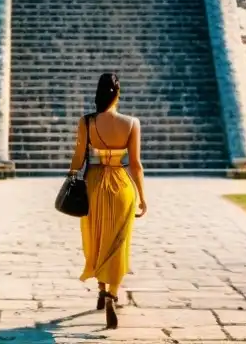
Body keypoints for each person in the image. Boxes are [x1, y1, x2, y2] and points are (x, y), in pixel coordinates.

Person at [67, 72, 147, 330]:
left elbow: (78, 159)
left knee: (97, 237)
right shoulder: (132, 123)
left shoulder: (86, 122)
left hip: (93, 185)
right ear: (118, 93)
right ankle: (113, 293)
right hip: (122, 185)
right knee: (119, 242)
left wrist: (70, 178)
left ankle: (102, 291)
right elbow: (135, 165)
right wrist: (143, 198)